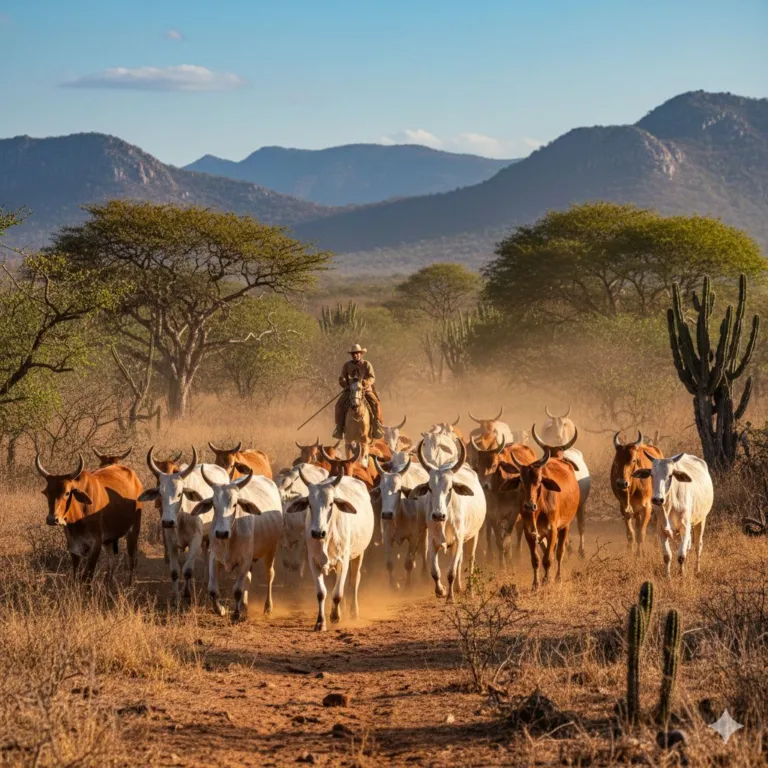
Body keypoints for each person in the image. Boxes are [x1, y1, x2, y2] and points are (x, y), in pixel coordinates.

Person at [333, 344, 384, 440]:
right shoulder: (347, 366)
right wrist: (345, 384)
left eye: (357, 353)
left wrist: (365, 383)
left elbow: (372, 377)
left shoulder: (367, 364)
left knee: (376, 403)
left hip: (365, 390)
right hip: (350, 390)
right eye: (353, 354)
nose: (355, 355)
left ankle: (377, 426)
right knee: (338, 405)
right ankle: (339, 428)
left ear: (360, 354)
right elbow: (342, 378)